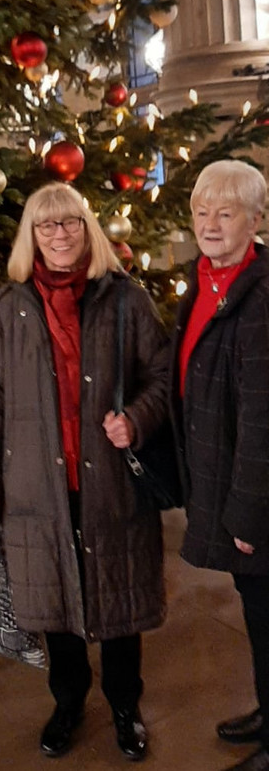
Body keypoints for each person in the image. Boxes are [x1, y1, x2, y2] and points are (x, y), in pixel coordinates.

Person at [0, 181, 169, 761]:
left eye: (71, 222)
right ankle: (68, 701)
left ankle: (125, 705)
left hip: (111, 481)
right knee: (53, 598)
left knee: (119, 597)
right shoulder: (8, 310)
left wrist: (137, 418)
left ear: (88, 229)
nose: (60, 234)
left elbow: (161, 376)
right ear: (32, 235)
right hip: (35, 485)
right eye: (47, 225)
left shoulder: (126, 300)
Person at [170, 159, 269, 771]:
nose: (209, 224)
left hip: (254, 494)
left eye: (225, 213)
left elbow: (263, 420)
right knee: (256, 610)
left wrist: (247, 512)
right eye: (201, 212)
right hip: (224, 480)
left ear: (255, 221)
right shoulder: (207, 279)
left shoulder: (261, 299)